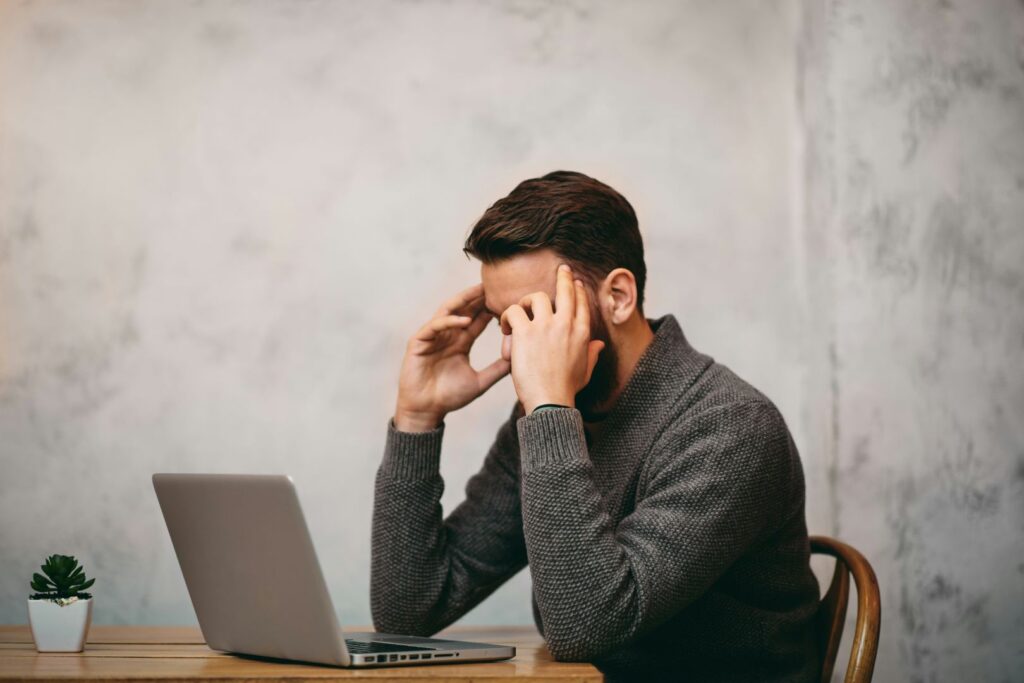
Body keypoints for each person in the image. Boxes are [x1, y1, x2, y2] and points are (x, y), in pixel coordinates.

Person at [370, 170, 820, 681]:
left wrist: (548, 412)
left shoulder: (730, 427)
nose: (514, 350)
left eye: (537, 316)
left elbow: (586, 626)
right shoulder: (555, 416)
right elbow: (409, 611)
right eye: (506, 322)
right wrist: (417, 419)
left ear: (619, 296)